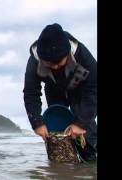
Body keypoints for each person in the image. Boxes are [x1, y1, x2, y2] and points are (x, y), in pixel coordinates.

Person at [23, 23, 97, 162]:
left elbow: (93, 91)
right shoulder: (34, 61)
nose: (56, 67)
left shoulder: (83, 56)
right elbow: (30, 92)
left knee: (86, 129)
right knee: (56, 126)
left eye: (59, 62)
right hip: (54, 89)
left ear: (68, 54)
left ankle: (89, 162)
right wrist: (37, 122)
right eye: (50, 64)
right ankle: (60, 167)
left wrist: (80, 123)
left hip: (80, 89)